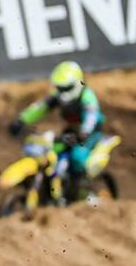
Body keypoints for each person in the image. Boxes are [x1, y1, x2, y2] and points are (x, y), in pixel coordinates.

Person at [8, 61, 104, 192]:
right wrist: (21, 120)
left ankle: (78, 189)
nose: (63, 92)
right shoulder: (57, 97)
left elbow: (91, 116)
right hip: (71, 131)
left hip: (90, 134)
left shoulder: (87, 97)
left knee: (77, 158)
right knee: (52, 153)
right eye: (60, 88)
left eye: (66, 88)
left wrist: (85, 132)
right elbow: (40, 108)